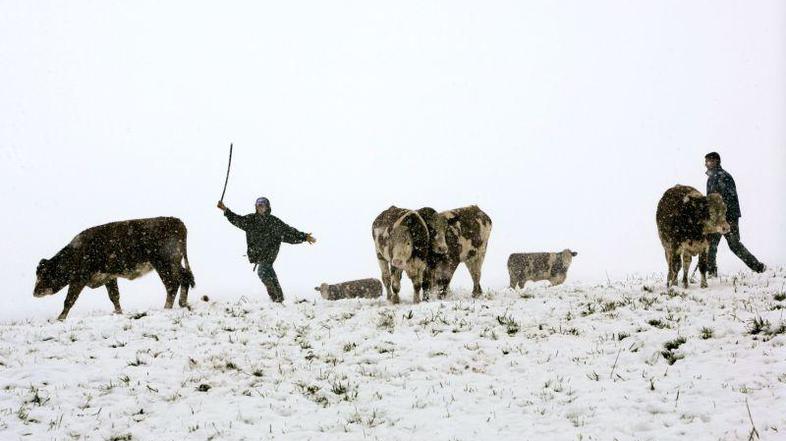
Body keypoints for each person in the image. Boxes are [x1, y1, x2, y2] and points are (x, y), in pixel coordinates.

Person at [217, 197, 316, 302]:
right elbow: (237, 219)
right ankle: (279, 297)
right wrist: (225, 210)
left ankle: (276, 297)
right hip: (258, 254)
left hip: (270, 252)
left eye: (262, 205)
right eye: (258, 205)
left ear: (267, 207)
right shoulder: (251, 220)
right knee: (269, 272)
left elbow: (289, 230)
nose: (260, 207)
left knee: (262, 271)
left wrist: (304, 236)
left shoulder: (274, 222)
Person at [704, 152, 766, 276]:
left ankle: (758, 267)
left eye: (708, 161)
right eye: (705, 162)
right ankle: (711, 271)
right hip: (720, 218)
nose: (705, 164)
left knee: (730, 244)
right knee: (714, 244)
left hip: (726, 218)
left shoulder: (722, 177)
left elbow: (728, 198)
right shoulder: (713, 177)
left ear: (716, 161)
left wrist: (725, 217)